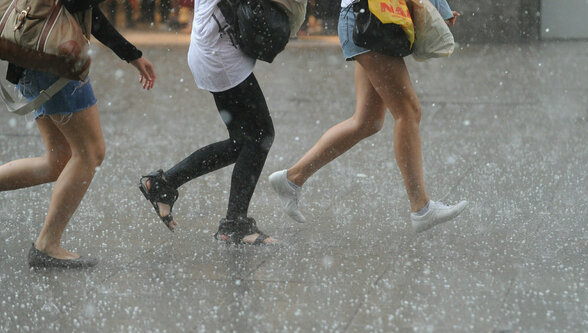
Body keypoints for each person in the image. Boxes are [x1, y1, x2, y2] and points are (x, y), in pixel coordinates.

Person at [0, 0, 156, 268]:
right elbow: (79, 4)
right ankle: (47, 244)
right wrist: (131, 54)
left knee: (59, 159)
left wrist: (131, 54)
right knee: (90, 153)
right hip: (53, 59)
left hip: (34, 55)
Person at [269, 0, 466, 233]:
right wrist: (439, 9)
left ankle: (292, 179)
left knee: (367, 121)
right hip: (370, 20)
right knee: (408, 112)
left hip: (365, 18)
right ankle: (421, 207)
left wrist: (437, 8)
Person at [138, 0, 277, 245]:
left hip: (215, 51)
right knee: (259, 137)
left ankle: (163, 184)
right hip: (222, 58)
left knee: (242, 143)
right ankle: (235, 225)